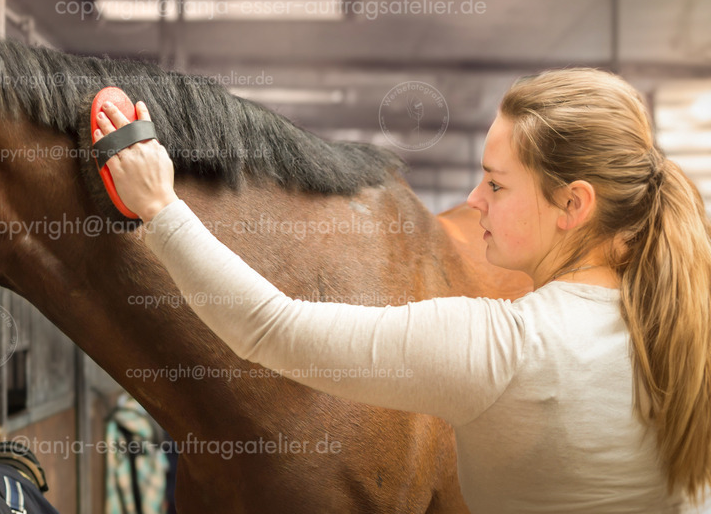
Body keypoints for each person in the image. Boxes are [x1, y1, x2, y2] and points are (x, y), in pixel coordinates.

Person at [92, 68, 711, 513]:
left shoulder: (503, 349)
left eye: (496, 185)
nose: (473, 201)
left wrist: (160, 207)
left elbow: (270, 328)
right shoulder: (688, 327)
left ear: (572, 204)